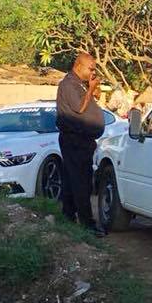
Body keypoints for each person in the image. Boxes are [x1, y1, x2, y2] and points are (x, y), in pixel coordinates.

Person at [55, 52, 105, 234]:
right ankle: (87, 224)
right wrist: (90, 89)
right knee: (82, 182)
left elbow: (91, 102)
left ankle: (67, 216)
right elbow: (79, 109)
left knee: (71, 180)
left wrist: (92, 89)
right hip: (75, 140)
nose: (93, 71)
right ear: (78, 66)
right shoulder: (68, 84)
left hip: (82, 140)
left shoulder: (78, 84)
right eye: (90, 68)